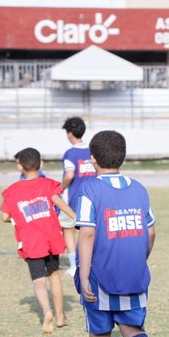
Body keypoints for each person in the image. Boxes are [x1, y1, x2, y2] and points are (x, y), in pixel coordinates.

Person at [74, 130, 156, 337]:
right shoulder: (139, 189)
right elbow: (151, 230)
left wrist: (84, 276)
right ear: (123, 156)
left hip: (99, 274)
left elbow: (86, 233)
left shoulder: (89, 189)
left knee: (100, 333)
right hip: (133, 271)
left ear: (92, 158)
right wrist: (140, 257)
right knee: (133, 329)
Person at [1, 147, 76, 333]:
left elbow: (4, 216)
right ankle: (60, 317)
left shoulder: (12, 191)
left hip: (30, 241)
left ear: (20, 166)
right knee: (55, 276)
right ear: (41, 164)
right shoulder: (48, 184)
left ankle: (47, 311)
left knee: (38, 281)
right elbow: (60, 203)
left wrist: (16, 217)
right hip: (51, 237)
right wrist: (76, 216)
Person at [60, 116, 96, 277]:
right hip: (93, 197)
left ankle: (75, 265)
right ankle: (91, 262)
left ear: (69, 134)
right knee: (89, 231)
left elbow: (69, 175)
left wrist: (60, 188)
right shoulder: (92, 150)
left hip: (74, 200)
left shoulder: (70, 153)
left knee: (68, 230)